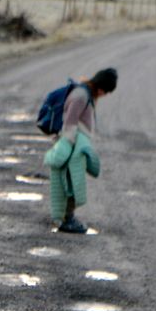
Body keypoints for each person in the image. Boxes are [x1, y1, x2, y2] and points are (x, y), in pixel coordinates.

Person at [47, 67, 117, 233]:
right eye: (105, 91)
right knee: (69, 183)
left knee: (71, 182)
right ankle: (66, 219)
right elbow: (70, 123)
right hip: (71, 145)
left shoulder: (85, 94)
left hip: (74, 144)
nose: (104, 95)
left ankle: (66, 217)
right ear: (101, 87)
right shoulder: (81, 96)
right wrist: (68, 148)